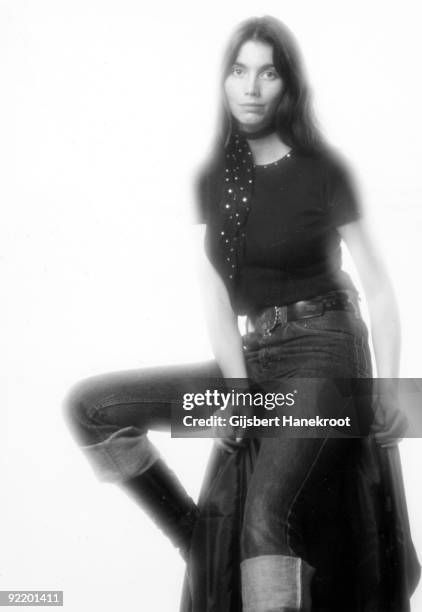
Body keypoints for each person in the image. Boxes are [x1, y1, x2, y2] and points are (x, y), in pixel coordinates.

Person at [63, 16, 419, 612]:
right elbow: (214, 294)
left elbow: (379, 289)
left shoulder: (322, 172)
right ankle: (200, 546)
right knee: (93, 409)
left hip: (326, 354)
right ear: (224, 81)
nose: (251, 87)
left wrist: (385, 385)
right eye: (239, 70)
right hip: (255, 361)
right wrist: (235, 389)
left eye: (268, 72)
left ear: (288, 87)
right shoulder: (215, 180)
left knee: (266, 515)